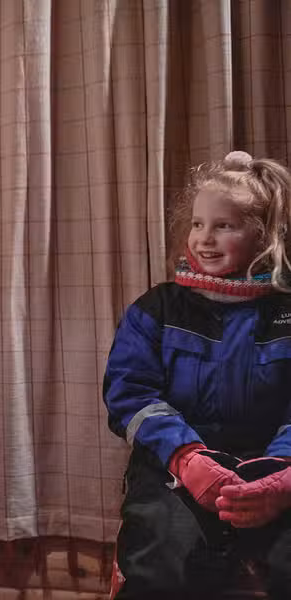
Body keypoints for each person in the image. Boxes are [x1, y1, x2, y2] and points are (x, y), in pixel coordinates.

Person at [104, 151, 291, 599]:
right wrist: (186, 457)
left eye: (224, 226)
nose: (205, 238)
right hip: (174, 469)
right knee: (159, 574)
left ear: (264, 236)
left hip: (275, 470)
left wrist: (281, 475)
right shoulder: (157, 309)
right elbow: (130, 394)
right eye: (197, 224)